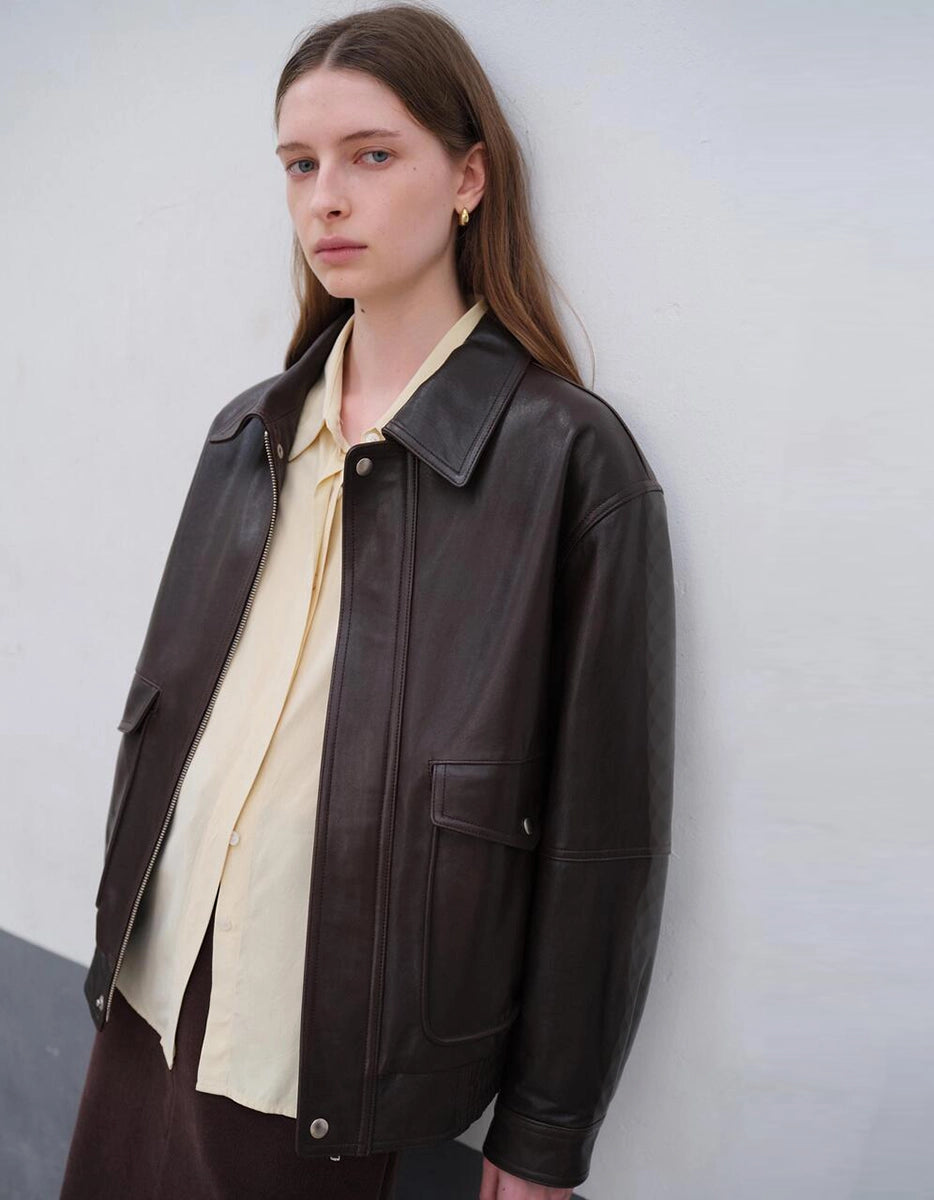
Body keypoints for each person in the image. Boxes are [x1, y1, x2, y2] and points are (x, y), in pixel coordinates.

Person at [60, 4, 677, 1198]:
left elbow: (603, 837)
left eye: (372, 155)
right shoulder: (249, 434)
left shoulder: (566, 461)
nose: (325, 200)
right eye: (300, 164)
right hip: (151, 989)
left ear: (469, 178)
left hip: (331, 1057)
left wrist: (545, 1131)